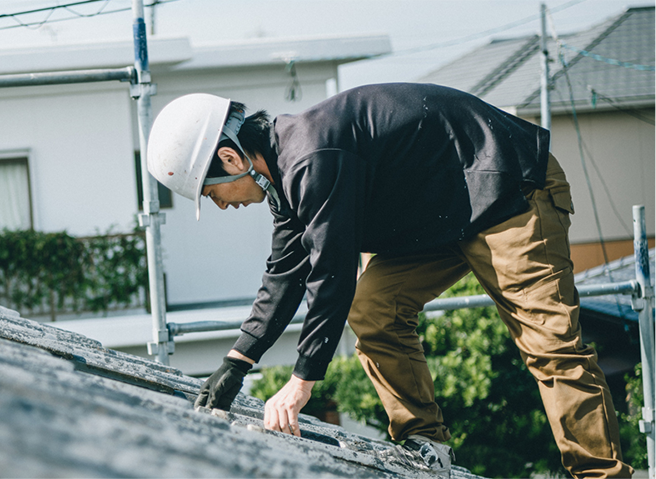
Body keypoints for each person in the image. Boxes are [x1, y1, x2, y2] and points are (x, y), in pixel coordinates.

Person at [146, 83, 632, 478]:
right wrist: (238, 360)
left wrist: (300, 383)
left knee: (549, 345)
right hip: (445, 213)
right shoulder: (286, 176)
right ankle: (427, 442)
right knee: (373, 306)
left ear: (231, 160)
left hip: (510, 190)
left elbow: (331, 271)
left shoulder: (313, 156)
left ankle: (600, 475)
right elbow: (286, 271)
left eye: (212, 194)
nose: (222, 205)